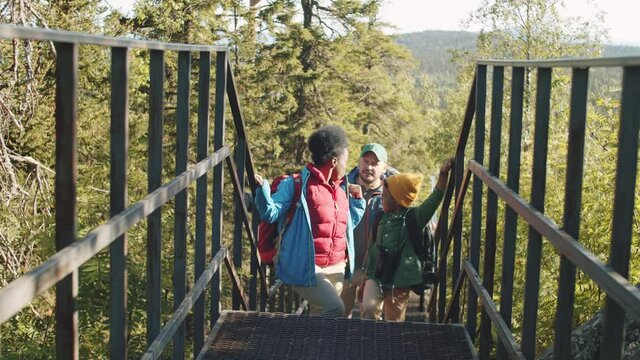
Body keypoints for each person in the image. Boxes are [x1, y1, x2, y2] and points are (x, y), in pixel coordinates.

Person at [254, 125, 366, 317]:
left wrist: (357, 202)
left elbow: (344, 229)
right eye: (346, 161)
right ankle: (312, 346)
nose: (347, 167)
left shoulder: (341, 190)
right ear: (334, 161)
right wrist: (263, 190)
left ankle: (317, 348)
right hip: (307, 265)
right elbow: (270, 213)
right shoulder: (296, 184)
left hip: (337, 265)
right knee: (335, 308)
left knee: (321, 316)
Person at [361, 159, 453, 322]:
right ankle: (370, 341)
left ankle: (390, 345)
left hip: (399, 281)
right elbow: (372, 247)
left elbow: (436, 197)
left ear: (397, 199)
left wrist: (443, 174)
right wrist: (365, 277)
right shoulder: (381, 217)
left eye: (385, 195)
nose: (382, 197)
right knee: (368, 308)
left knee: (394, 322)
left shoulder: (414, 218)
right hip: (376, 274)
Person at [340, 143, 396, 318]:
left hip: (374, 269)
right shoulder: (342, 188)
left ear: (384, 168)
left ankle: (367, 346)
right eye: (365, 161)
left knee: (371, 313)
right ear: (358, 162)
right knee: (338, 316)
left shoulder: (392, 194)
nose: (369, 167)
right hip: (344, 266)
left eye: (375, 163)